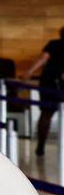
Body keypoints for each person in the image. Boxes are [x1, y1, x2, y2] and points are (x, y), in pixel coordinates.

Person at [24, 26, 64, 157]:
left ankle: (41, 146)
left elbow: (43, 59)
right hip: (59, 83)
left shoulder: (54, 44)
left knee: (46, 114)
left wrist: (29, 72)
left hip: (50, 82)